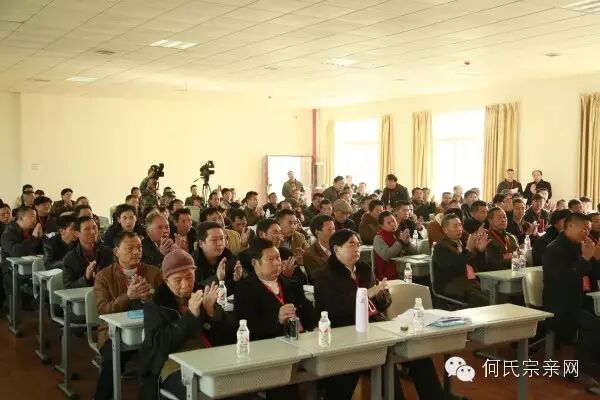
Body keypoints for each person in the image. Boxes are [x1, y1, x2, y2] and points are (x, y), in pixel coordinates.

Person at [313, 229, 458, 400]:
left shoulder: (364, 269)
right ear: (337, 248)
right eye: (351, 244)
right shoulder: (323, 275)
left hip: (376, 327)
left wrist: (381, 296)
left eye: (358, 244)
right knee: (366, 365)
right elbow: (333, 308)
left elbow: (383, 303)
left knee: (417, 353)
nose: (357, 248)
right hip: (345, 332)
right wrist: (367, 294)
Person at [139, 250, 229, 400]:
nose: (185, 285)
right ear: (166, 280)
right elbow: (161, 345)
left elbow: (228, 335)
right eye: (177, 280)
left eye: (189, 277)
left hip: (209, 359)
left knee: (237, 389)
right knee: (203, 395)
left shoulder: (203, 294)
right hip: (173, 365)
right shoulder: (155, 305)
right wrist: (190, 316)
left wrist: (211, 312)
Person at [235, 238, 317, 399]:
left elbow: (307, 311)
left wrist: (315, 326)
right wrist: (277, 319)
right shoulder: (245, 289)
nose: (277, 263)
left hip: (300, 344)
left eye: (278, 258)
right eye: (270, 259)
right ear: (255, 263)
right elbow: (247, 327)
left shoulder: (290, 284)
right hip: (268, 350)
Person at [93, 231, 162, 400]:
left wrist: (148, 299)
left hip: (149, 331)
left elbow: (167, 307)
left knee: (162, 355)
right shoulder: (104, 276)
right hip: (112, 333)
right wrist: (127, 297)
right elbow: (102, 311)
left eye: (139, 248)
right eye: (130, 248)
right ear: (116, 251)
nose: (136, 252)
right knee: (113, 359)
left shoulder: (154, 272)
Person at [542, 212, 600, 391]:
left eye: (588, 229)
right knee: (593, 326)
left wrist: (596, 259)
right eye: (584, 229)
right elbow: (567, 277)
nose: (587, 233)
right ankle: (579, 370)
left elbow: (594, 275)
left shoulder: (580, 246)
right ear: (570, 227)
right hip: (560, 305)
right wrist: (586, 258)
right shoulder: (553, 249)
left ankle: (590, 365)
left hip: (581, 300)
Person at [432, 214, 489, 306]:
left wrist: (480, 252)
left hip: (471, 283)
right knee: (486, 301)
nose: (459, 229)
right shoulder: (440, 247)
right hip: (452, 285)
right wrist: (467, 250)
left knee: (497, 296)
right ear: (445, 230)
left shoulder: (464, 244)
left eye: (460, 225)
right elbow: (454, 268)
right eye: (455, 226)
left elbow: (480, 267)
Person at [1, 206, 43, 306]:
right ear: (21, 217)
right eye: (32, 216)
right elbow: (16, 252)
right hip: (11, 270)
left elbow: (42, 251)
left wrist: (41, 238)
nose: (35, 219)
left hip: (31, 266)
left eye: (36, 216)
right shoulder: (8, 233)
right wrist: (34, 237)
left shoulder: (31, 230)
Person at [62, 216, 114, 288]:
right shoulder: (70, 258)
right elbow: (68, 286)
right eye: (87, 229)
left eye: (94, 228)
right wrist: (86, 278)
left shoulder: (108, 252)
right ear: (77, 234)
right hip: (83, 294)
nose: (93, 232)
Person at [193, 221, 243, 291]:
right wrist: (217, 278)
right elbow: (194, 289)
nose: (220, 243)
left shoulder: (230, 257)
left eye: (222, 238)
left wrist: (237, 280)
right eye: (214, 240)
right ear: (201, 243)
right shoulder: (192, 263)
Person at [373, 211, 417, 280]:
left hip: (405, 271)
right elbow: (387, 256)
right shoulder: (378, 238)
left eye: (394, 221)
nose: (393, 224)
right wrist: (401, 241)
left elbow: (415, 253)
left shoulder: (399, 234)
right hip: (387, 276)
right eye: (389, 223)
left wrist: (408, 244)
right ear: (382, 226)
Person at [483, 208, 519, 272]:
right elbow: (487, 261)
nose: (503, 220)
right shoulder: (485, 238)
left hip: (515, 272)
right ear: (490, 220)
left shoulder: (512, 237)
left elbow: (519, 257)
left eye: (505, 217)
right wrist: (503, 257)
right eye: (499, 217)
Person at [303, 214, 335, 283]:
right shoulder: (310, 254)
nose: (333, 233)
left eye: (334, 229)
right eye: (329, 230)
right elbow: (318, 279)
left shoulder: (339, 247)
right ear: (317, 232)